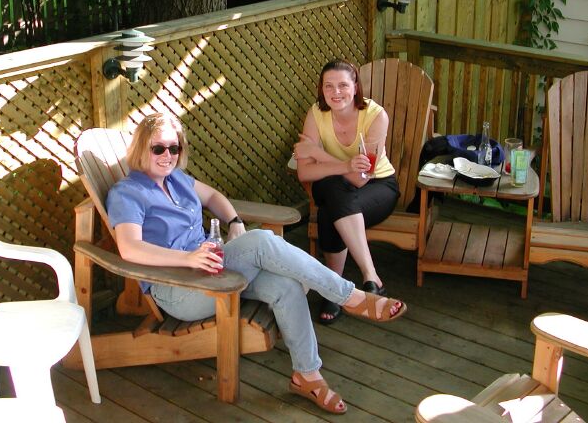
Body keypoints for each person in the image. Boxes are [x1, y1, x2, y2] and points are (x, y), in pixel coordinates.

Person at [105, 112, 407, 415]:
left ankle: (307, 375)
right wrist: (187, 258)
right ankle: (349, 296)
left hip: (211, 270)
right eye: (158, 148)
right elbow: (130, 248)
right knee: (262, 241)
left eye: (174, 148)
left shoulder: (176, 180)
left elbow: (214, 197)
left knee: (286, 286)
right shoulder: (128, 193)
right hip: (178, 288)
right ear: (142, 148)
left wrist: (235, 221)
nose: (167, 155)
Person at [294, 59, 401, 325]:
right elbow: (304, 173)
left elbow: (360, 180)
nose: (336, 92)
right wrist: (345, 165)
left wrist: (318, 154)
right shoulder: (316, 114)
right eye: (328, 86)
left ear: (355, 87)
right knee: (332, 188)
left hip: (379, 187)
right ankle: (370, 277)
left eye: (343, 85)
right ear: (321, 89)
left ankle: (335, 289)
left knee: (330, 207)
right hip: (335, 185)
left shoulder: (375, 116)